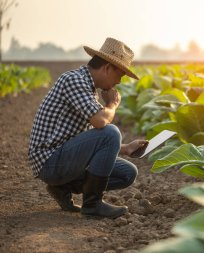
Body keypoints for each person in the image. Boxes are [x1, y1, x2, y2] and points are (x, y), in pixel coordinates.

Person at [28, 37, 148, 219]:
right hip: (49, 161)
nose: (119, 82)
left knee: (128, 173)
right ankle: (92, 205)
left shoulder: (88, 87)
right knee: (111, 131)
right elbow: (101, 122)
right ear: (107, 68)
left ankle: (62, 187)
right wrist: (112, 104)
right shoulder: (74, 80)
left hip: (63, 157)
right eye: (120, 75)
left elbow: (83, 138)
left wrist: (125, 149)